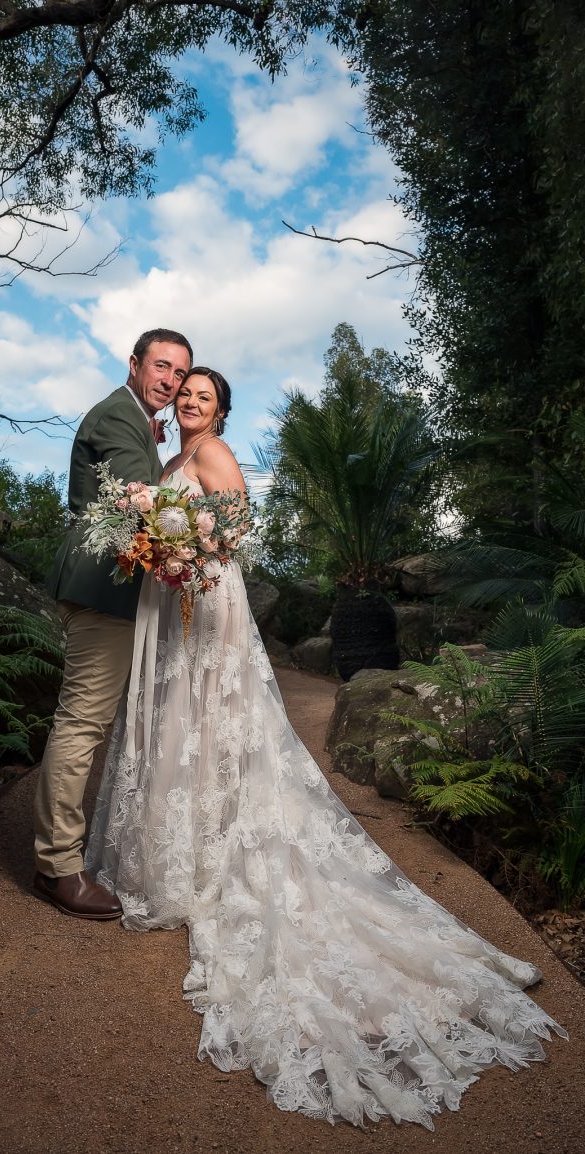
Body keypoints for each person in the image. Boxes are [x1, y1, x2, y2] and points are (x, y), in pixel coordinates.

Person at [85, 367, 567, 1127]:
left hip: (208, 600)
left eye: (203, 396)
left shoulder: (213, 454)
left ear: (220, 410)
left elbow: (237, 525)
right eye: (184, 395)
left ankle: (219, 848)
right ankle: (188, 843)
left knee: (213, 713)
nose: (190, 403)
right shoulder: (167, 459)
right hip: (176, 597)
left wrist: (184, 541)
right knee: (181, 720)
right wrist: (153, 537)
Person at [33, 328, 192, 919]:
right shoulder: (118, 420)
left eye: (178, 373)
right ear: (134, 364)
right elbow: (146, 497)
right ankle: (57, 867)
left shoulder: (137, 422)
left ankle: (64, 854)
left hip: (117, 590)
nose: (170, 381)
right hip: (102, 586)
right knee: (82, 722)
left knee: (92, 720)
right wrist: (206, 532)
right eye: (161, 366)